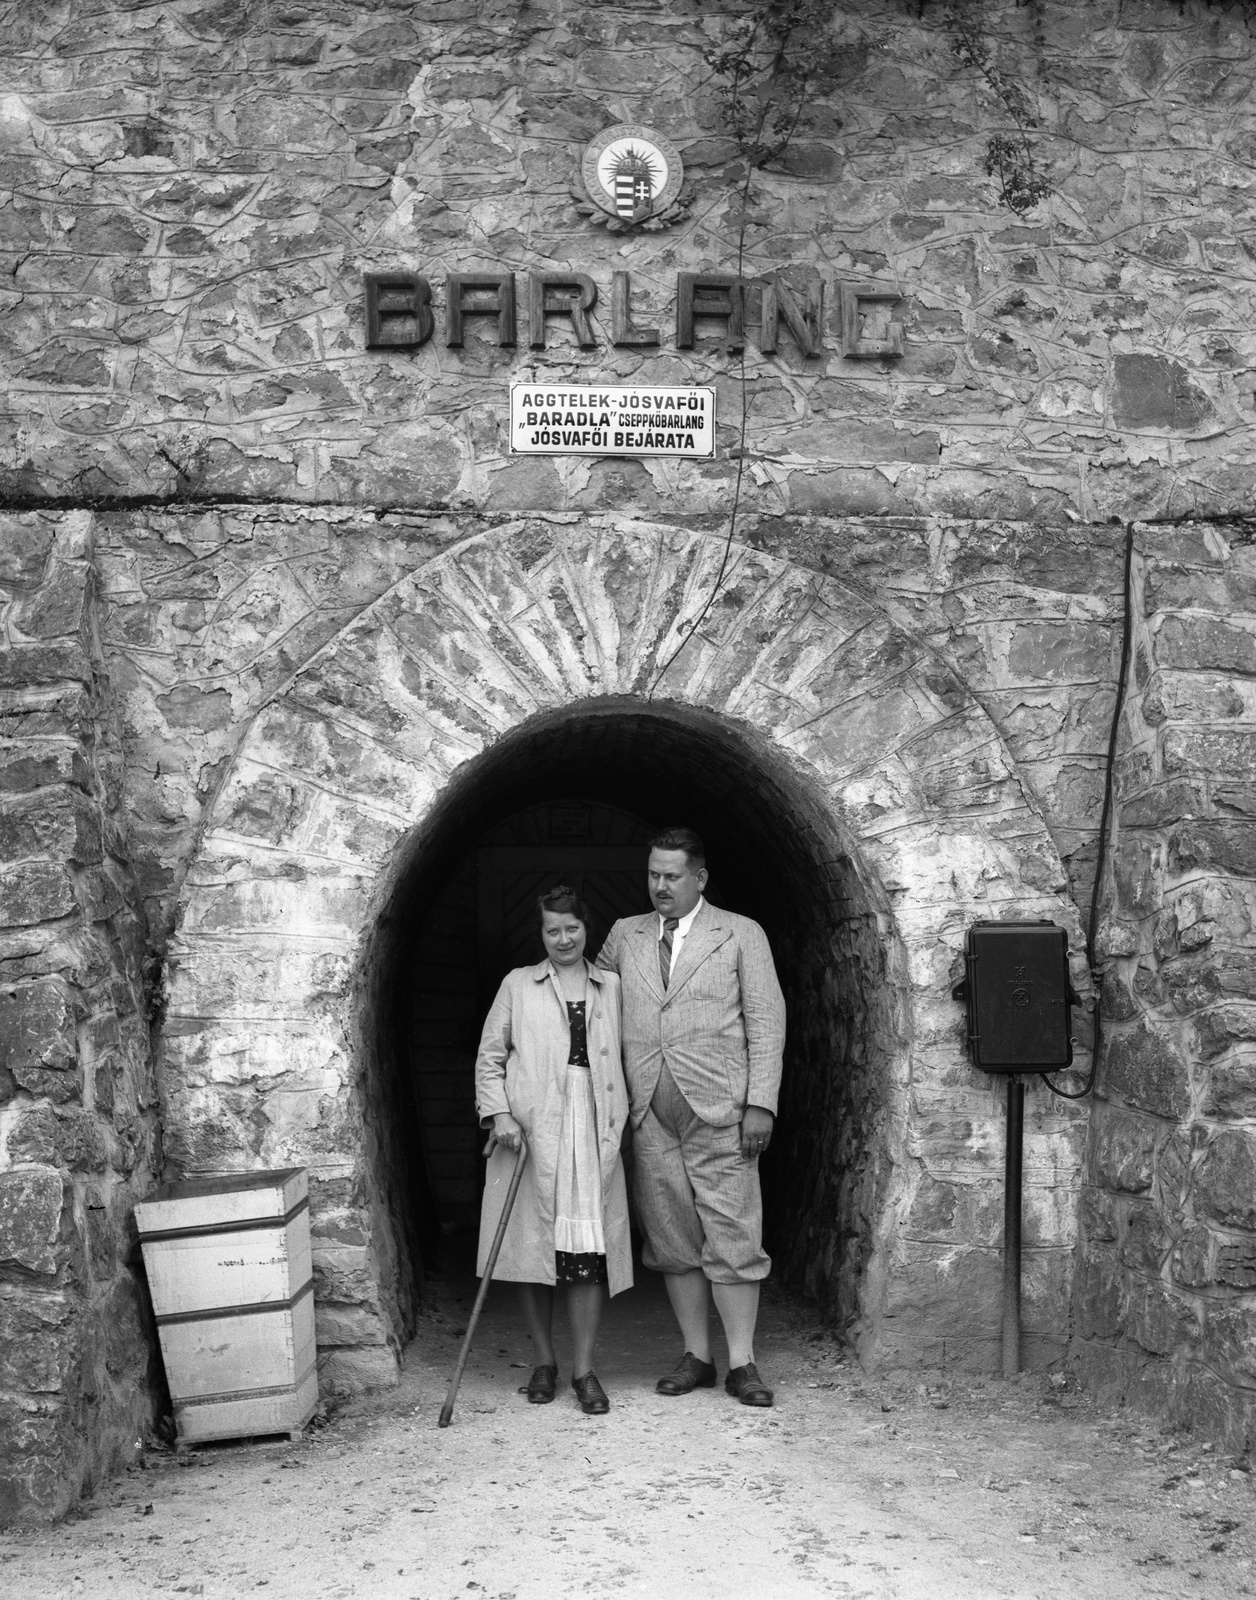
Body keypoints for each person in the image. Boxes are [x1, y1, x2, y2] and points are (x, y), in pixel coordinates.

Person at [597, 827, 786, 1407]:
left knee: (733, 1234)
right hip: (648, 1111)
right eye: (653, 874)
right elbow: (592, 997)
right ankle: (697, 1356)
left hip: (722, 1111)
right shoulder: (624, 936)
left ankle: (743, 1363)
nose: (660, 886)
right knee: (672, 1239)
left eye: (672, 876)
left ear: (699, 878)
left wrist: (761, 1103)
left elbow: (767, 1020)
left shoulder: (740, 933)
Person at [474, 885, 633, 1415]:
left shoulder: (611, 986)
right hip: (532, 1132)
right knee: (531, 1250)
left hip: (591, 1129)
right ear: (540, 933)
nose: (563, 939)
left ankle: (584, 1369)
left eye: (572, 929)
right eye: (552, 930)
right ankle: (544, 1362)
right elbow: (489, 1057)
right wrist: (499, 1114)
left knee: (585, 1253)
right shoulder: (518, 985)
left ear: (587, 929)